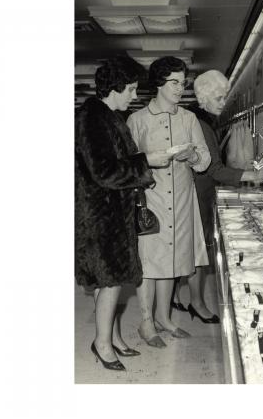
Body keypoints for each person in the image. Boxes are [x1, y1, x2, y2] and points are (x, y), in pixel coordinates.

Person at [75, 56, 172, 370]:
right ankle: (102, 344)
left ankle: (112, 337)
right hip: (100, 215)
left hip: (109, 212)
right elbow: (103, 171)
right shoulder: (92, 117)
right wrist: (148, 162)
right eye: (130, 89)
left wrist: (143, 161)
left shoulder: (105, 114)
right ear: (114, 88)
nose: (134, 95)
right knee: (111, 280)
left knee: (109, 281)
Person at [172, 70, 263, 322]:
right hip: (198, 193)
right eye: (218, 98)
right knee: (200, 252)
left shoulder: (195, 118)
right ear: (205, 98)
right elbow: (214, 168)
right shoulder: (203, 125)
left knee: (186, 248)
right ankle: (197, 303)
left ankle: (174, 298)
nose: (223, 103)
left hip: (189, 191)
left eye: (223, 97)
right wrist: (251, 175)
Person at [127, 56, 211, 348]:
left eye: (182, 82)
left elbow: (204, 160)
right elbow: (128, 163)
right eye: (174, 82)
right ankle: (146, 322)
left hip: (183, 198)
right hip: (151, 199)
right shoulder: (137, 120)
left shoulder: (188, 119)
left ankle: (164, 318)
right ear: (159, 84)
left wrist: (193, 156)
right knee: (149, 262)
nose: (180, 88)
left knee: (173, 259)